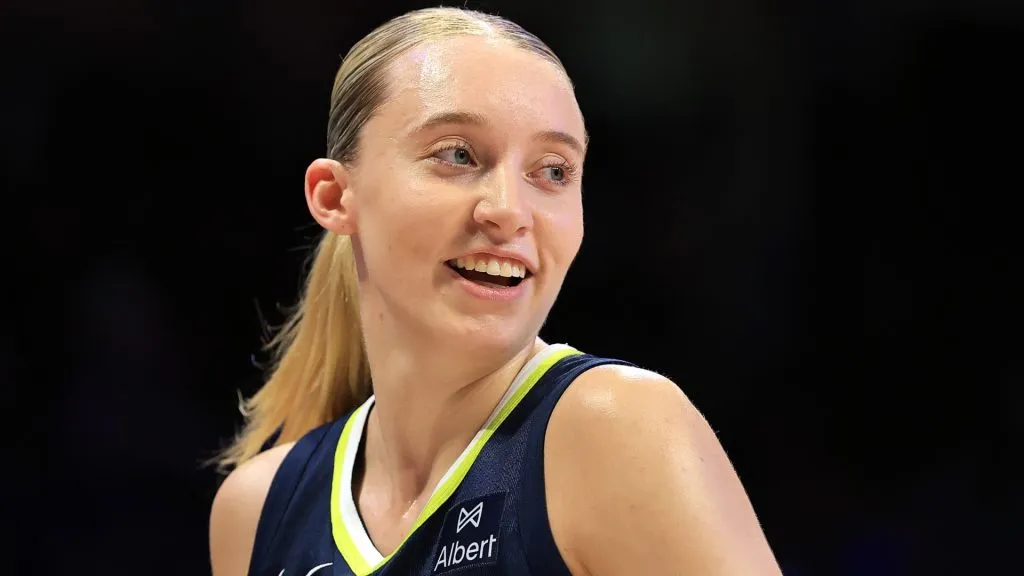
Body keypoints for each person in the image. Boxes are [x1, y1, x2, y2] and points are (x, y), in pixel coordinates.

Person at [209, 7, 782, 576]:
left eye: (554, 171)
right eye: (458, 155)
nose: (509, 211)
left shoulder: (614, 428)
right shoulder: (257, 512)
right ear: (335, 197)